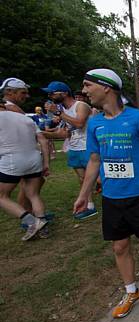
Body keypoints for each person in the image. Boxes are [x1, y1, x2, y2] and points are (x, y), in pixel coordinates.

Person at [74, 68, 139, 318]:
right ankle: (131, 290)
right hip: (113, 197)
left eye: (87, 85)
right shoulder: (95, 123)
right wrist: (84, 194)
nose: (84, 91)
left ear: (106, 87)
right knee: (119, 246)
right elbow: (94, 160)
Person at [42, 81, 97, 219]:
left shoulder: (81, 105)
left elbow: (79, 123)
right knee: (82, 178)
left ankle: (113, 199)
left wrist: (58, 112)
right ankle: (89, 205)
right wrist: (41, 134)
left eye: (52, 93)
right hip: (74, 147)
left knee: (97, 177)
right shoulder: (63, 110)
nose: (50, 96)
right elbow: (65, 133)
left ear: (64, 93)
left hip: (88, 146)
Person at [0, 107, 50, 240]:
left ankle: (32, 222)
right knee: (33, 195)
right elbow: (43, 141)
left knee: (2, 196)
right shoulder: (25, 118)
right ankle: (43, 228)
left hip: (12, 161)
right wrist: (46, 163)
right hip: (34, 159)